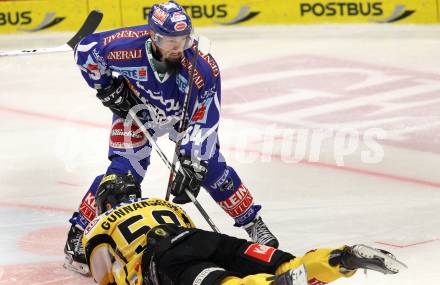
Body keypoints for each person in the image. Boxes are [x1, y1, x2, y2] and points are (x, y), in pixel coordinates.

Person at [65, 0, 280, 274]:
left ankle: (253, 224)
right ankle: (78, 232)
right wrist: (107, 88)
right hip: (137, 112)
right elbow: (85, 50)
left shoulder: (202, 68)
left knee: (212, 170)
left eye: (183, 39)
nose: (178, 46)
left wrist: (193, 160)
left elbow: (206, 119)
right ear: (153, 36)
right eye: (170, 40)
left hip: (184, 120)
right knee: (122, 177)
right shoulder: (126, 47)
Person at [81, 173, 406, 285]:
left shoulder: (98, 227)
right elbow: (190, 230)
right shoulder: (162, 204)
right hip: (202, 239)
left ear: (106, 202)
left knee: (226, 283)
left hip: (165, 259)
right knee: (286, 263)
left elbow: (106, 276)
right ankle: (343, 258)